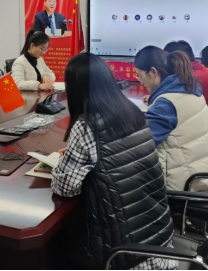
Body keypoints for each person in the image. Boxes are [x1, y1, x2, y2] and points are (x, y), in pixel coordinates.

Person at [51, 53, 175, 270]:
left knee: (59, 247)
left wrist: (64, 163)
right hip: (161, 243)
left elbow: (65, 187)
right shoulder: (133, 111)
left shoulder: (87, 125)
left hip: (127, 258)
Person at [134, 46, 208, 191]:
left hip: (189, 187)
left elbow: (140, 144)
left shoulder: (166, 105)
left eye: (140, 75)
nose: (140, 81)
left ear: (153, 72)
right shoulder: (189, 87)